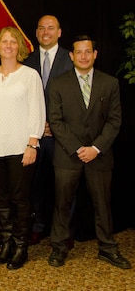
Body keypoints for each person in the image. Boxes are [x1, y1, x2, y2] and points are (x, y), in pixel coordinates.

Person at [47, 35, 131, 270]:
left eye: (88, 52)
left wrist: (95, 148)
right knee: (62, 204)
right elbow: (55, 120)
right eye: (78, 52)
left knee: (102, 204)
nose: (83, 56)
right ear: (71, 56)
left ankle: (107, 247)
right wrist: (77, 148)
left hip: (99, 155)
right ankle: (59, 247)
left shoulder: (110, 83)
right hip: (67, 155)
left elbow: (114, 122)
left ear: (95, 54)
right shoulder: (58, 83)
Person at [0, 26, 45, 270]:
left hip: (20, 147)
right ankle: (6, 243)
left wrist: (32, 143)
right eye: (4, 41)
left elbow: (37, 110)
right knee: (0, 199)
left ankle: (21, 245)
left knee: (20, 200)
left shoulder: (30, 76)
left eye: (13, 42)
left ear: (20, 47)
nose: (8, 45)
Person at [23, 15, 73, 245]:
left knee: (63, 185)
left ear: (59, 32)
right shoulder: (27, 60)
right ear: (36, 32)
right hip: (33, 136)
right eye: (41, 28)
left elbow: (76, 100)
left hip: (61, 136)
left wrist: (55, 125)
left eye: (51, 28)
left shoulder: (70, 59)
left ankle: (63, 230)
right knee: (35, 185)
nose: (46, 32)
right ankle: (39, 225)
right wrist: (36, 126)